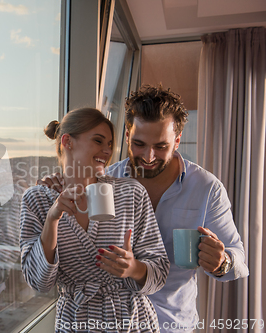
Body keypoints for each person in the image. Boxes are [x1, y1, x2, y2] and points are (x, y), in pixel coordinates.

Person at [39, 85, 249, 332]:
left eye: (161, 146)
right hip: (114, 325)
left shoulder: (207, 188)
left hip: (173, 325)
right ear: (127, 136)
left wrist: (222, 262)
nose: (149, 156)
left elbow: (239, 260)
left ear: (177, 141)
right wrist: (56, 184)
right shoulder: (104, 180)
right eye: (139, 144)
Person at [20, 107, 170, 332]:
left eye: (110, 144)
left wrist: (133, 268)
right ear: (67, 141)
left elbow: (159, 271)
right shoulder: (37, 199)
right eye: (98, 141)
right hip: (77, 322)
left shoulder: (131, 193)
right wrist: (52, 218)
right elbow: (38, 282)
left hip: (131, 321)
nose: (107, 150)